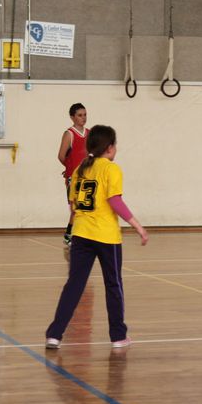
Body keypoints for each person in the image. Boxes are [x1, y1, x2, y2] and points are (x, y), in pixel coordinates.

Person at [46, 125, 148, 350]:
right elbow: (115, 201)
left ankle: (54, 334)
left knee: (74, 285)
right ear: (110, 148)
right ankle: (118, 336)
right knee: (113, 285)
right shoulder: (111, 169)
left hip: (81, 235)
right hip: (106, 237)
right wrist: (138, 226)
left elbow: (73, 205)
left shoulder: (80, 169)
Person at [57, 103, 89, 245]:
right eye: (80, 115)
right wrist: (70, 168)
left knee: (85, 207)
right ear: (72, 117)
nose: (83, 118)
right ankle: (69, 235)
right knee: (76, 207)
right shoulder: (69, 134)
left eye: (85, 115)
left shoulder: (89, 133)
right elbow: (61, 156)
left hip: (87, 177)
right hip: (74, 177)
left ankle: (81, 235)